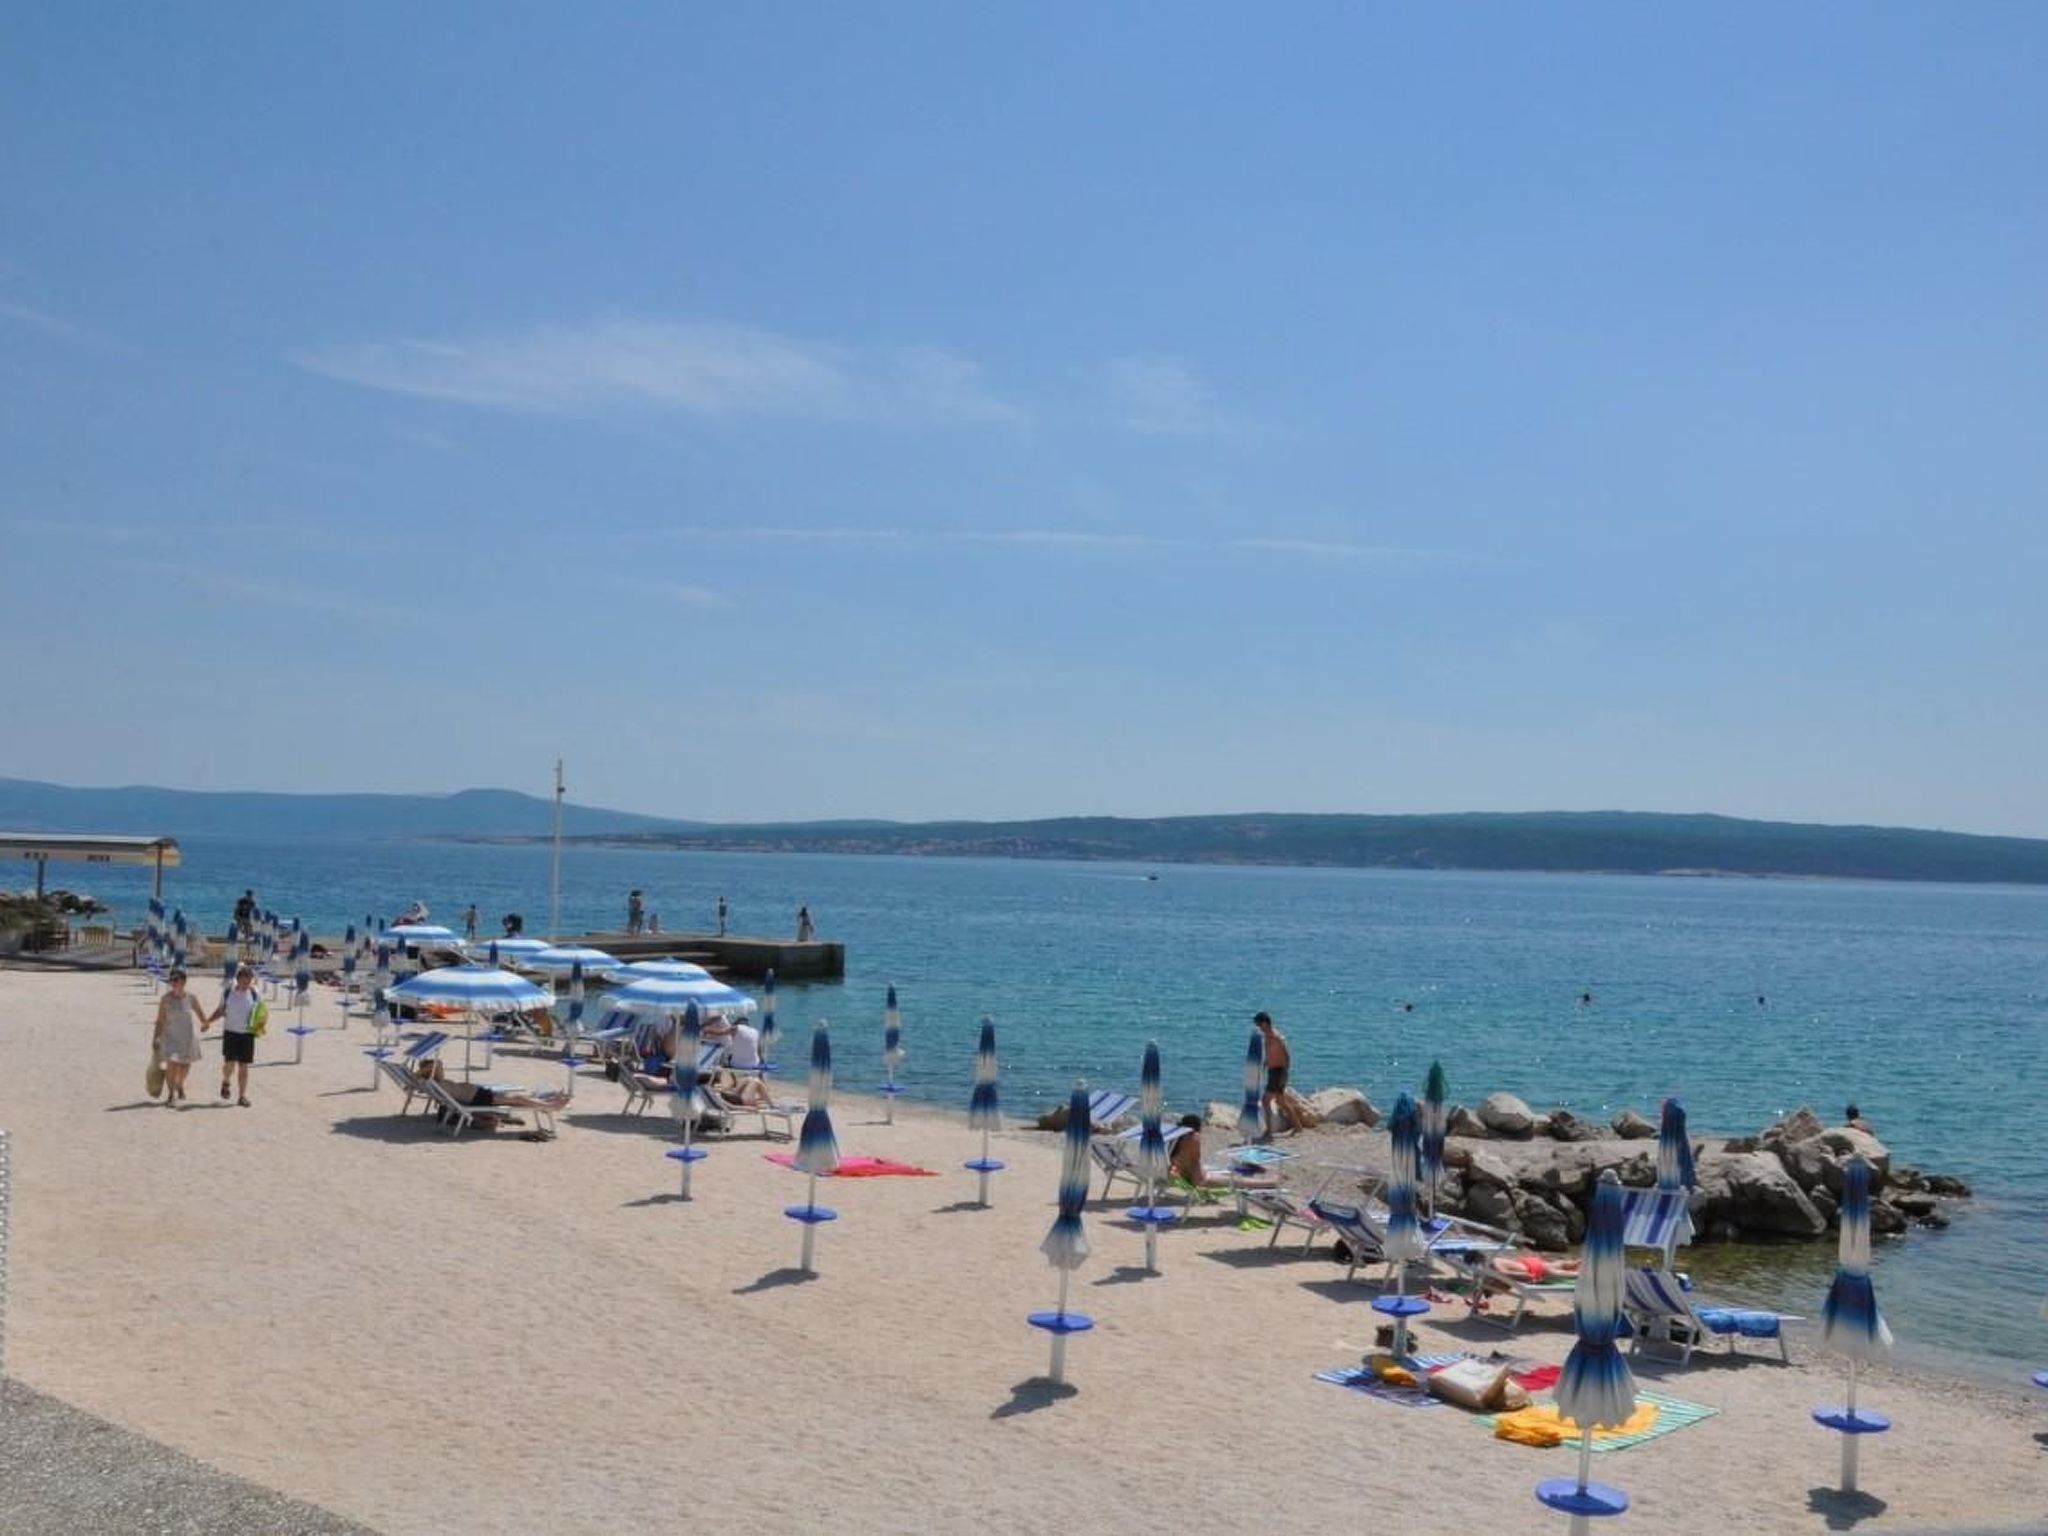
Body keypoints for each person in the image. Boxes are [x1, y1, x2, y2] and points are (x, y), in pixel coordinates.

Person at [1169, 1115, 1280, 1190]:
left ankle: (1264, 1174)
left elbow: (1189, 1163)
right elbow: (1195, 1160)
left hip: (1189, 1177)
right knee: (1239, 1181)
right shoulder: (1193, 1138)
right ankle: (1271, 1182)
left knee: (1229, 1171)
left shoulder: (1175, 1140)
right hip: (1201, 1180)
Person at [152, 968, 207, 1104]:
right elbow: (160, 1020)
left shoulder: (191, 998)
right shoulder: (165, 999)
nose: (173, 983)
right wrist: (156, 1037)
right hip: (170, 1037)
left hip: (187, 1037)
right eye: (171, 980)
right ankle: (171, 1094)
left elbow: (200, 1013)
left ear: (183, 982)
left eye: (176, 980)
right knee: (172, 1064)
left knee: (185, 1066)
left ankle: (180, 1084)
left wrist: (205, 1022)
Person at [209, 962, 261, 1107]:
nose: (247, 983)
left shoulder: (255, 993)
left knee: (243, 1066)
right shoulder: (228, 992)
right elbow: (220, 1010)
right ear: (238, 979)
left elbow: (260, 1013)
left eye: (249, 980)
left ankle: (242, 1096)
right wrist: (208, 1021)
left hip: (247, 1034)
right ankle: (226, 1081)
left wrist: (259, 1026)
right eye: (244, 980)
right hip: (231, 1032)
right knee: (229, 1064)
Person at [1253, 1011, 1302, 1138]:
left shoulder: (1276, 1036)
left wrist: (1285, 1072)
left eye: (1259, 1025)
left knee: (1265, 1100)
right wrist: (1265, 1064)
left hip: (1278, 1072)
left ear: (1264, 1023)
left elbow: (1286, 1054)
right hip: (1273, 1071)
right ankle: (1298, 1127)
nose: (1259, 1028)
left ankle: (1269, 1131)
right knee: (1281, 1101)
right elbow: (1270, 1053)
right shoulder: (1267, 1037)